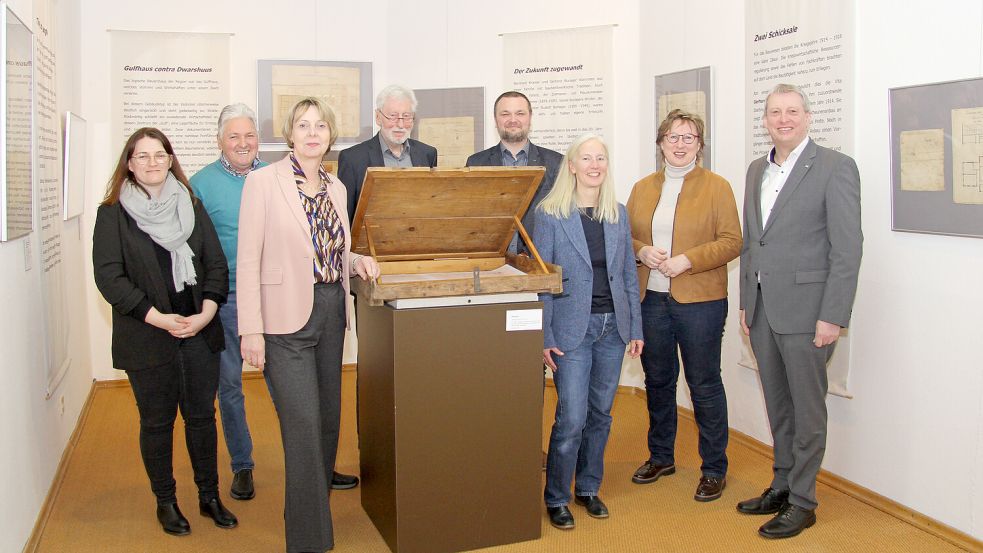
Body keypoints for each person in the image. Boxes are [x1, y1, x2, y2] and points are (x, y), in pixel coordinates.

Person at [237, 97, 380, 553]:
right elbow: (247, 260)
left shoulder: (336, 188)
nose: (313, 132)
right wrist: (250, 329)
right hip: (283, 320)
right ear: (290, 134)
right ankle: (308, 541)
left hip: (330, 312)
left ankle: (312, 510)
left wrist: (358, 260)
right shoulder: (263, 183)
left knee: (327, 423)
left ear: (330, 136)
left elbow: (334, 251)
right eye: (303, 125)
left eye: (321, 125)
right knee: (302, 426)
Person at [92, 127, 237, 536]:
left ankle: (209, 496)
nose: (153, 163)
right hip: (147, 335)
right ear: (129, 164)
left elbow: (215, 265)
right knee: (156, 423)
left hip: (197, 331)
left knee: (201, 419)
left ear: (171, 159)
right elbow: (109, 278)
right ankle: (166, 501)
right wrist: (157, 317)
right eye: (143, 156)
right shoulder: (112, 214)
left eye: (160, 155)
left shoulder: (190, 204)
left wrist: (207, 312)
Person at [737, 83, 862, 539]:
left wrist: (834, 315)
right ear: (765, 121)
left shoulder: (834, 167)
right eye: (774, 113)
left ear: (808, 117)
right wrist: (746, 304)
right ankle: (783, 483)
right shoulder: (756, 170)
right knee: (778, 403)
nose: (783, 119)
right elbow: (753, 244)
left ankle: (804, 501)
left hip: (810, 312)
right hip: (764, 308)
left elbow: (848, 249)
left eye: (792, 111)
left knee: (807, 409)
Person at [626, 109, 742, 502]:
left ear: (700, 146)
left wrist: (687, 259)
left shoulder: (717, 186)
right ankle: (661, 456)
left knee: (704, 384)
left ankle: (714, 468)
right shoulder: (642, 188)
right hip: (652, 300)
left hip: (700, 301)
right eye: (673, 137)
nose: (680, 144)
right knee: (658, 382)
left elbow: (732, 241)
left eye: (689, 137)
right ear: (660, 144)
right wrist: (642, 251)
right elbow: (623, 238)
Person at [534, 133, 644, 530]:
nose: (595, 165)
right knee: (572, 418)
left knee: (601, 414)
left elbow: (629, 274)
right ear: (573, 165)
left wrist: (635, 326)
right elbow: (543, 280)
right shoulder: (550, 214)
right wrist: (544, 336)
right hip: (570, 332)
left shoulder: (617, 212)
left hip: (613, 328)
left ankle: (589, 489)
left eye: (601, 158)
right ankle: (558, 496)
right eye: (587, 158)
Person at [190, 103, 267, 501]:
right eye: (234, 136)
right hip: (227, 299)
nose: (243, 143)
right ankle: (243, 464)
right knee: (229, 386)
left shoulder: (276, 177)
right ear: (219, 140)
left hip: (274, 295)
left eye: (249, 135)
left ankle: (310, 462)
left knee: (288, 385)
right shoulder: (200, 184)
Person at [466, 90, 562, 254]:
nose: (513, 120)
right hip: (492, 262)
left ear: (530, 118)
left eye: (520, 113)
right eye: (505, 114)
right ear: (496, 120)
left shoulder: (556, 163)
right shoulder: (476, 163)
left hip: (541, 262)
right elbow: (470, 218)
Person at [337, 84, 438, 225]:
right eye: (393, 116)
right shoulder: (352, 159)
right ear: (378, 117)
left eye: (407, 116)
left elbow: (432, 208)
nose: (401, 124)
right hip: (371, 244)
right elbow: (345, 219)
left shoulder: (427, 154)